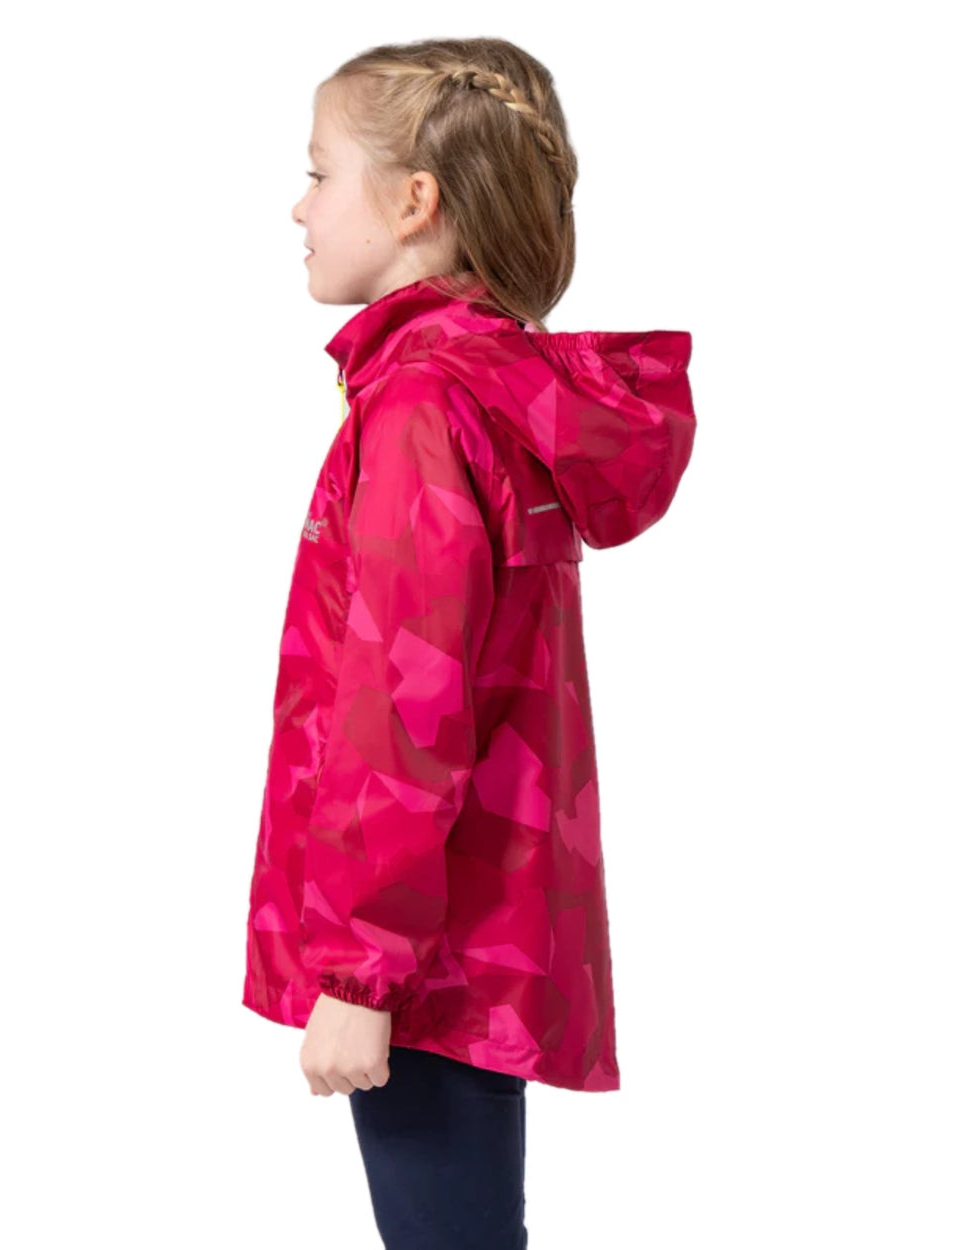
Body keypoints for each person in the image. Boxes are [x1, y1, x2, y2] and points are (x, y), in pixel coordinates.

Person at [242, 36, 697, 1250]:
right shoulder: (481, 391)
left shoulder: (422, 406)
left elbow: (407, 707)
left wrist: (359, 973)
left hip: (424, 954)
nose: (297, 206)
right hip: (471, 920)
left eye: (319, 173)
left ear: (414, 202)